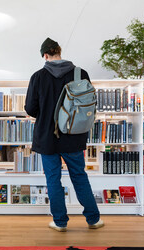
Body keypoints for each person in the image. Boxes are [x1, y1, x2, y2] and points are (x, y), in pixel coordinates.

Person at [24, 37, 104, 232]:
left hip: (47, 136)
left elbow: (30, 108)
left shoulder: (38, 76)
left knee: (53, 179)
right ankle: (93, 219)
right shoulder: (80, 73)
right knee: (79, 175)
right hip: (74, 135)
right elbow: (89, 105)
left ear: (45, 55)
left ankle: (60, 222)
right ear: (59, 52)